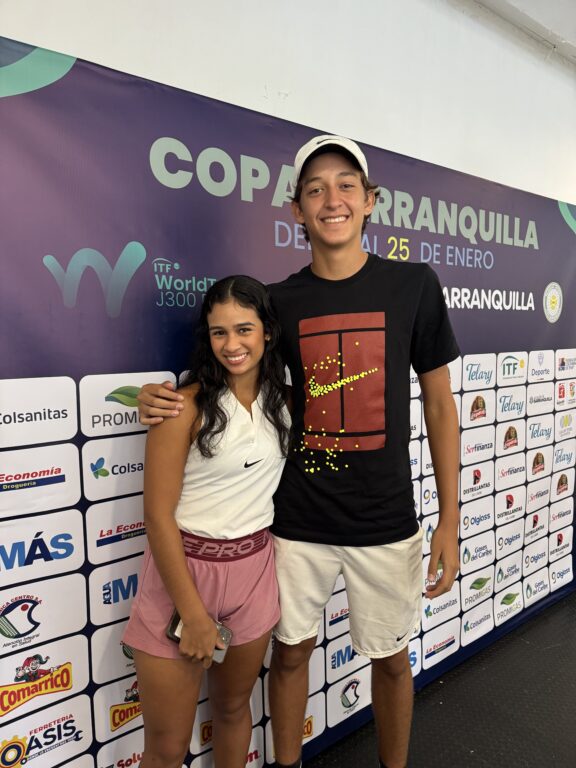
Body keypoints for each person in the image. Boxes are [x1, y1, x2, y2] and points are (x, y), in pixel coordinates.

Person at [137, 135, 461, 768]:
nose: (331, 199)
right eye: (315, 189)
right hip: (295, 524)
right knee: (289, 655)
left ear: (371, 202)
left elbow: (442, 405)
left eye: (346, 186)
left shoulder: (414, 285)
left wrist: (451, 517)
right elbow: (232, 372)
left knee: (392, 661)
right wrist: (163, 398)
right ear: (296, 210)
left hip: (385, 520)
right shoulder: (279, 302)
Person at [123, 275, 291, 768]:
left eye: (244, 329)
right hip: (182, 576)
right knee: (167, 748)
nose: (232, 344)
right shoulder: (181, 406)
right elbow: (157, 517)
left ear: (267, 332)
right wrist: (193, 615)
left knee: (234, 709)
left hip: (254, 571)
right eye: (219, 332)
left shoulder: (285, 401)